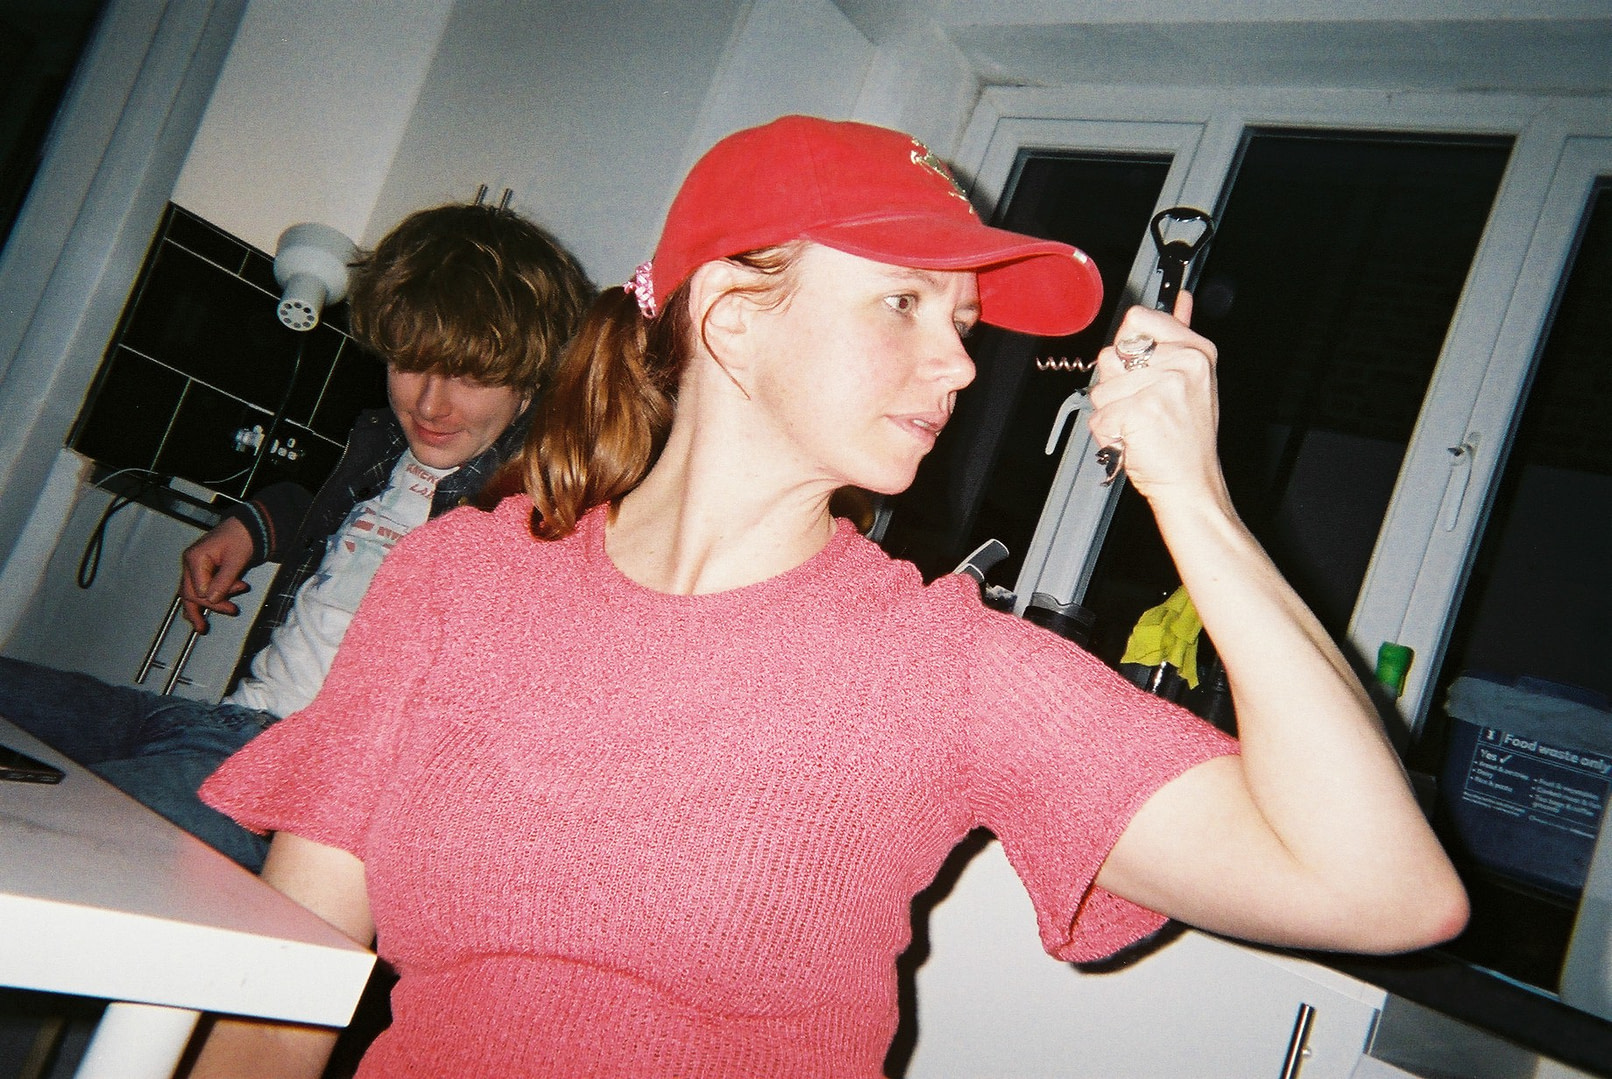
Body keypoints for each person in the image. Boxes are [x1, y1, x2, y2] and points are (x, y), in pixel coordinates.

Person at [194, 116, 1467, 1077]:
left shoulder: (944, 668)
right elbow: (278, 995)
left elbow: (1385, 890)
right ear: (735, 321)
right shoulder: (454, 580)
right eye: (904, 302)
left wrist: (1194, 500)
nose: (961, 361)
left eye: (964, 319)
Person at [0, 200, 592, 871]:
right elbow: (331, 514)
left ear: (530, 382)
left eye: (470, 374)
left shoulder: (523, 519)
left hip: (271, 782)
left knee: (38, 850)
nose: (430, 404)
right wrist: (253, 524)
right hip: (207, 720)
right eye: (410, 362)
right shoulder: (382, 449)